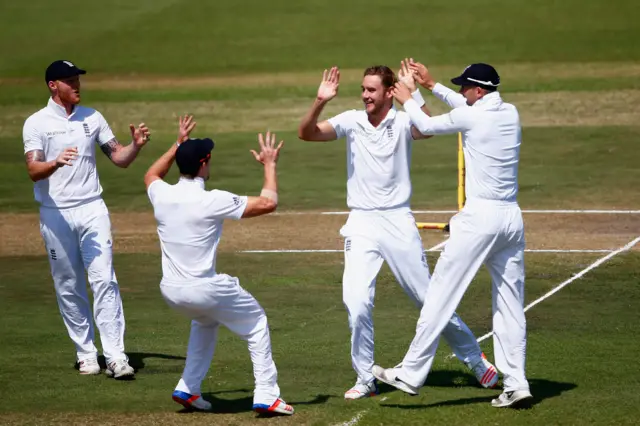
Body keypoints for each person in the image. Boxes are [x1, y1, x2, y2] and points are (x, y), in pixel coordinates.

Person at [297, 63, 499, 400]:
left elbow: (428, 129)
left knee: (427, 298)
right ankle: (365, 377)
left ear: (389, 92)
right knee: (356, 302)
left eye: (371, 90)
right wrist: (320, 101)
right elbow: (307, 133)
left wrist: (413, 94)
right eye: (363, 89)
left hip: (397, 222)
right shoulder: (351, 120)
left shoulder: (404, 119)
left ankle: (475, 359)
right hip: (361, 222)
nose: (364, 95)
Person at [372, 61, 532, 408]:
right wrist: (432, 85)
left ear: (478, 90)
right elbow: (465, 110)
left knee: (440, 294)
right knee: (510, 305)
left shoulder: (473, 115)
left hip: (481, 219)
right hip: (511, 220)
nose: (460, 92)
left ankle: (411, 373)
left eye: (464, 88)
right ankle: (516, 383)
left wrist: (408, 97)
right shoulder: (509, 112)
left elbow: (426, 124)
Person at [144, 115, 294, 415]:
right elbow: (268, 203)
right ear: (204, 163)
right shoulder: (212, 200)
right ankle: (267, 394)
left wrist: (177, 144)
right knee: (256, 323)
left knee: (205, 320)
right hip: (204, 288)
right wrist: (269, 165)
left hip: (171, 291)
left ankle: (188, 388)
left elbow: (151, 174)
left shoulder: (161, 194)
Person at [22, 60, 151, 378]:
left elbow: (118, 158)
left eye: (77, 79)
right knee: (68, 284)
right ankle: (85, 353)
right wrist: (55, 163)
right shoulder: (36, 123)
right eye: (69, 80)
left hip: (93, 208)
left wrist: (134, 147)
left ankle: (116, 356)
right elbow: (33, 170)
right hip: (56, 215)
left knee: (105, 280)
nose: (76, 85)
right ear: (53, 85)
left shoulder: (92, 117)